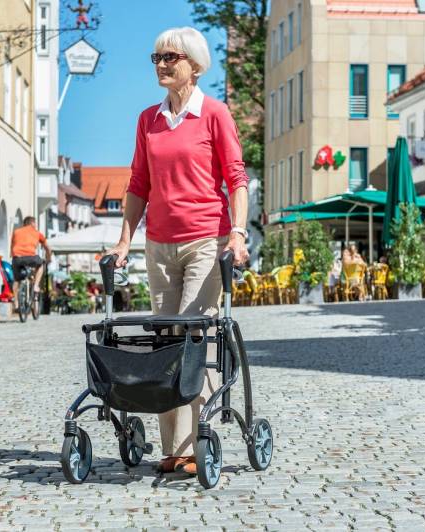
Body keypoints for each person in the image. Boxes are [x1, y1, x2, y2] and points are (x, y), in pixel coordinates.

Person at [104, 27, 249, 476]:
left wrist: (238, 233)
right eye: (157, 57)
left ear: (194, 65)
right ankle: (172, 449)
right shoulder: (148, 119)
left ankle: (192, 444)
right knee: (164, 341)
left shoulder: (214, 114)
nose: (163, 64)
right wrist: (125, 239)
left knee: (190, 336)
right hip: (159, 244)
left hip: (207, 238)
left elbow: (236, 178)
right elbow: (138, 185)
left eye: (172, 57)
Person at [10, 216, 52, 310]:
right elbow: (48, 248)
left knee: (16, 280)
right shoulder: (37, 233)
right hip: (30, 258)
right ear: (32, 223)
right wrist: (48, 258)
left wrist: (13, 256)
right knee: (41, 264)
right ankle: (36, 285)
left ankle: (16, 302)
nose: (36, 225)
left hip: (17, 258)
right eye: (35, 223)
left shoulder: (16, 232)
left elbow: (12, 245)